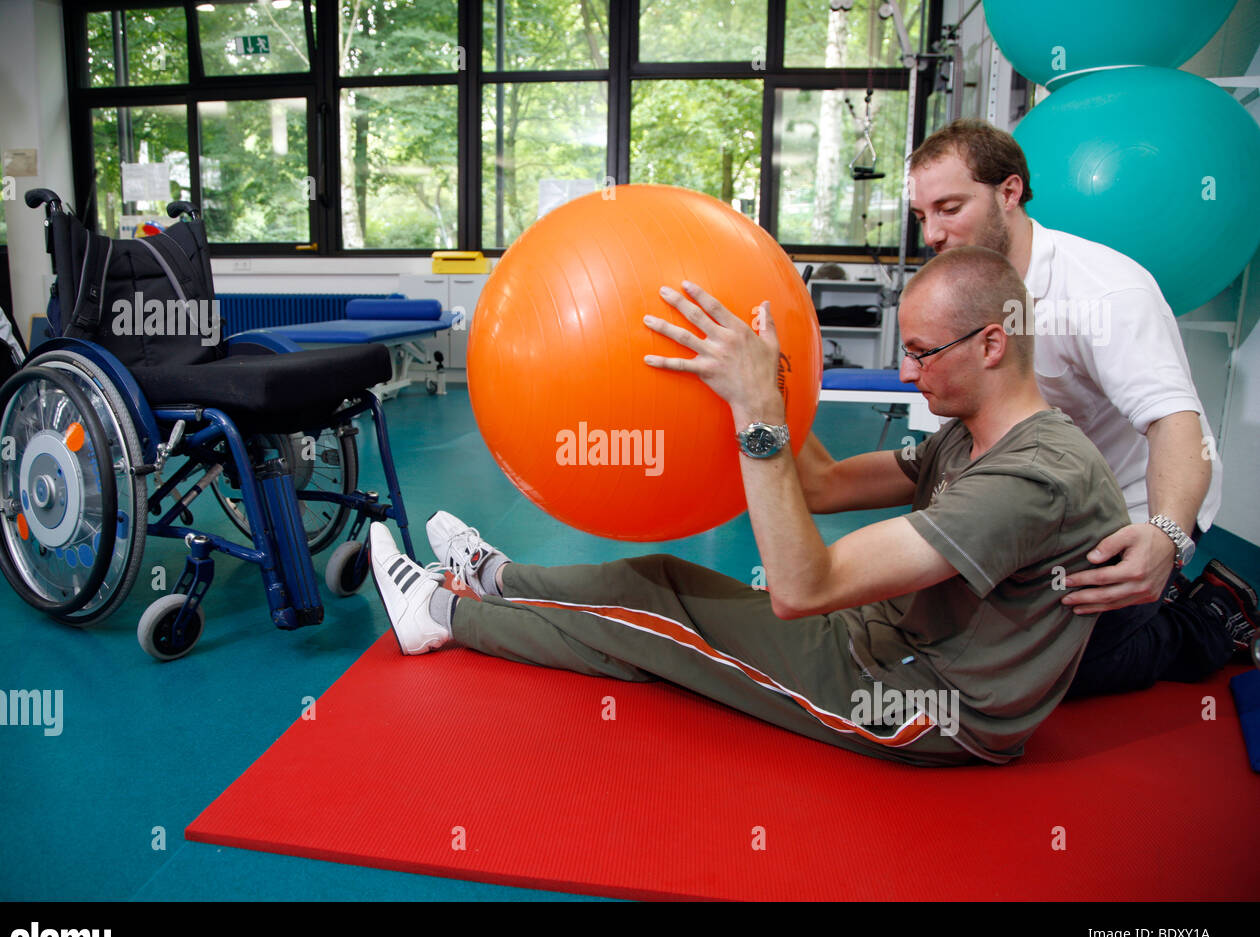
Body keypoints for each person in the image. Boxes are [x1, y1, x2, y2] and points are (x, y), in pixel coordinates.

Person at [369, 246, 1129, 767]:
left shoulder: (1032, 480)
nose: (905, 370)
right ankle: (498, 578)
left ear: (993, 344)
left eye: (923, 353)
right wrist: (777, 375)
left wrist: (758, 413)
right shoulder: (968, 439)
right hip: (877, 644)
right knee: (663, 580)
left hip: (918, 708)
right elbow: (827, 486)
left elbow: (805, 589)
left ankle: (440, 615)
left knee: (655, 617)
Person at [877, 118, 1258, 697]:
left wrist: (1165, 537)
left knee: (1036, 676)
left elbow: (1176, 424)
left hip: (1124, 515)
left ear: (1008, 192)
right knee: (949, 640)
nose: (931, 233)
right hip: (1030, 504)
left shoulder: (1105, 291)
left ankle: (1207, 615)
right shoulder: (960, 291)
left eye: (949, 208)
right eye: (922, 215)